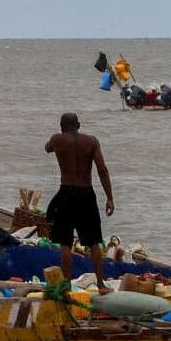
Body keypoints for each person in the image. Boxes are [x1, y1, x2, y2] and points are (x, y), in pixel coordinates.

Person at [45, 113, 115, 293]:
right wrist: (109, 197)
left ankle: (67, 284)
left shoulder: (57, 139)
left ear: (61, 126)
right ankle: (100, 284)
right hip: (86, 193)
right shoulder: (91, 141)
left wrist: (58, 141)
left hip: (66, 192)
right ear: (79, 125)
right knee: (94, 241)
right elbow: (102, 169)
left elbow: (47, 148)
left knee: (65, 242)